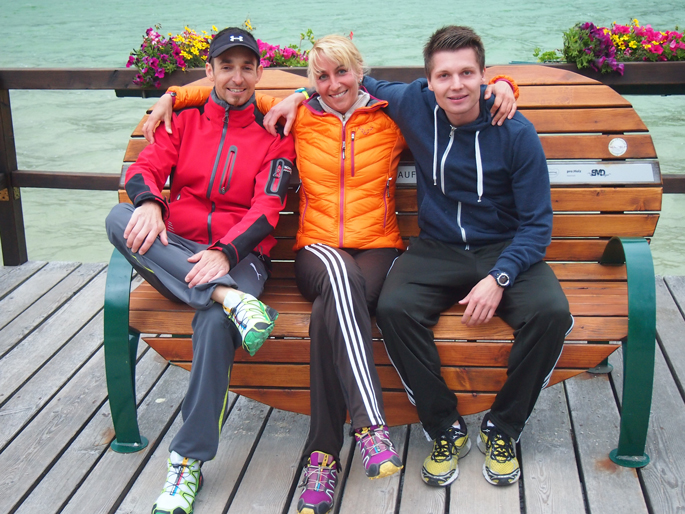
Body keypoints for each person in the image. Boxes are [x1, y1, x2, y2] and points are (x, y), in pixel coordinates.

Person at [144, 34, 517, 514]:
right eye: (321, 76)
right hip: (315, 249)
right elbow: (232, 93)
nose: (334, 84)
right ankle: (370, 426)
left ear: (360, 72)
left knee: (330, 311)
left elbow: (453, 94)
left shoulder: (392, 116)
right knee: (338, 279)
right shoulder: (296, 114)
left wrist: (502, 85)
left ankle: (322, 458)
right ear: (310, 82)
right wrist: (174, 94)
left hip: (379, 247)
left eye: (342, 72)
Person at [360, 26, 572, 488]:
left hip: (504, 248)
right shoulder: (413, 103)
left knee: (552, 314)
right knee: (394, 309)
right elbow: (350, 79)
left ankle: (504, 426)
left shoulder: (516, 132)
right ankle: (444, 426)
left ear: (483, 75)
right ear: (428, 82)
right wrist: (296, 95)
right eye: (444, 75)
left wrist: (500, 277)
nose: (456, 85)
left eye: (467, 73)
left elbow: (537, 224)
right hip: (437, 247)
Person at [105, 27, 295, 514]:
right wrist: (150, 203)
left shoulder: (275, 133)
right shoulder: (184, 119)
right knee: (118, 217)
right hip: (179, 248)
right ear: (209, 71)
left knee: (213, 322)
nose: (237, 78)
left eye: (246, 67)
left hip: (242, 258)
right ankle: (229, 298)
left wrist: (226, 254)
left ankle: (187, 462)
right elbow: (144, 169)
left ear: (259, 73)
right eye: (226, 67)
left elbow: (268, 208)